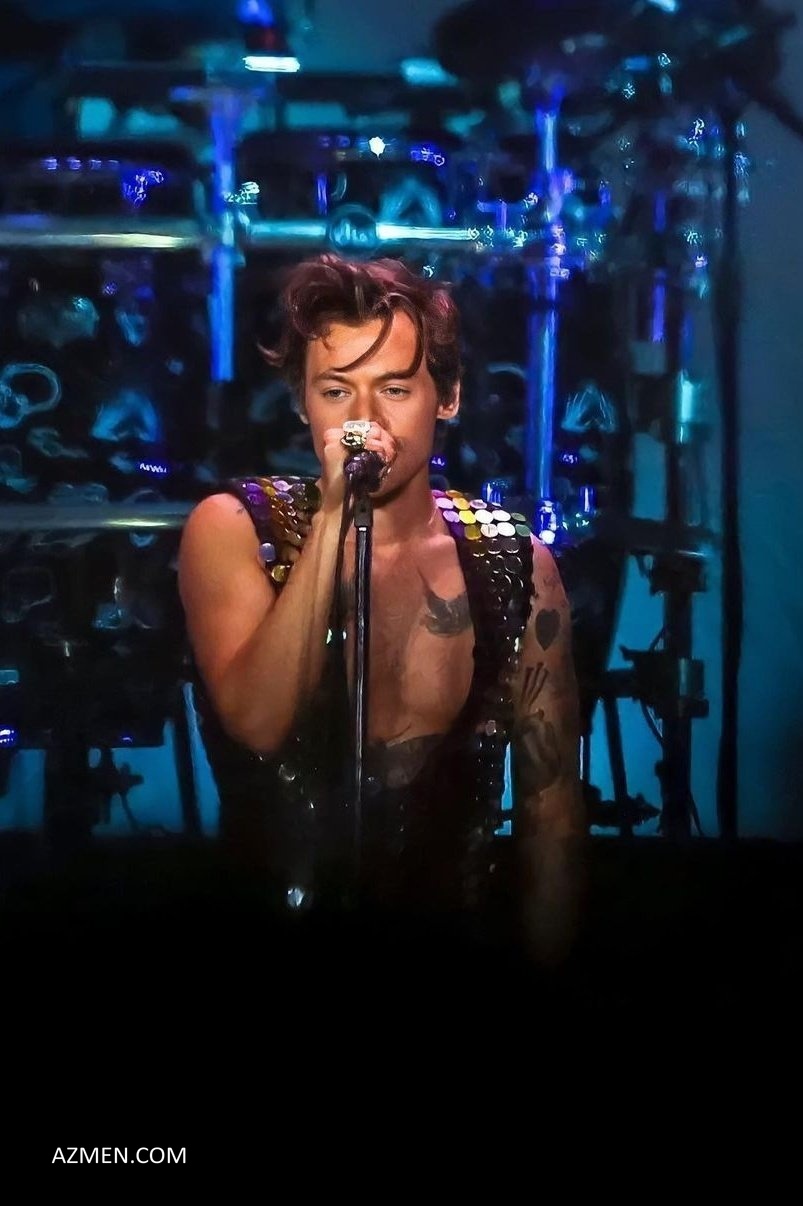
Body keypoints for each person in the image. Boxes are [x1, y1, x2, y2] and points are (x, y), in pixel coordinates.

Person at [178, 253, 585, 963]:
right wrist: (334, 515)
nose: (364, 422)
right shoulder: (234, 529)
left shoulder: (514, 564)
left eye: (394, 388)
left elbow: (550, 810)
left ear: (446, 397)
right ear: (303, 403)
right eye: (336, 391)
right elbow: (260, 722)